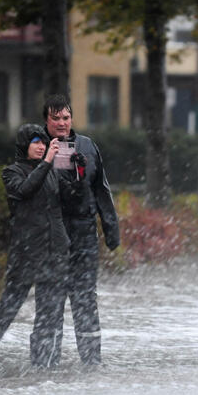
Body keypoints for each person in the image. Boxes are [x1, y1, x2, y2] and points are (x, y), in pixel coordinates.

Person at [0, 123, 69, 367]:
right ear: (24, 145)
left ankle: (44, 364)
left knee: (49, 314)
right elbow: (25, 190)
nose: (41, 146)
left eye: (43, 142)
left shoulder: (53, 171)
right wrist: (48, 162)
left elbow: (73, 195)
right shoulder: (12, 172)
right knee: (9, 307)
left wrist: (74, 163)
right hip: (25, 254)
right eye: (35, 142)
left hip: (54, 253)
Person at [42, 93, 120, 365]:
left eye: (65, 117)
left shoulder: (87, 146)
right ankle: (45, 363)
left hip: (84, 233)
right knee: (51, 297)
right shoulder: (37, 146)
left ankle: (91, 362)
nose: (61, 123)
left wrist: (111, 227)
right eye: (55, 118)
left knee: (85, 297)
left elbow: (102, 190)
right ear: (46, 120)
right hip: (52, 236)